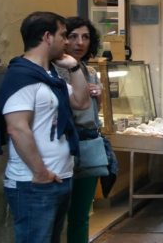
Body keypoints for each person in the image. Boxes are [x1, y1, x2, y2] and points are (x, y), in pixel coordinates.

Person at [0, 11, 91, 243]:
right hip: (34, 183)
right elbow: (17, 129)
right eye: (63, 36)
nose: (68, 42)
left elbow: (81, 102)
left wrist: (75, 68)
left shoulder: (49, 77)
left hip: (58, 177)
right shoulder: (22, 76)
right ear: (48, 37)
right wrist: (40, 173)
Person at [57, 17, 117, 243]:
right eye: (72, 36)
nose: (79, 42)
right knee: (56, 214)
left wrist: (99, 95)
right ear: (62, 39)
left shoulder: (89, 71)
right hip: (64, 146)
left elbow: (93, 111)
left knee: (81, 214)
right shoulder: (54, 70)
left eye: (85, 37)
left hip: (90, 145)